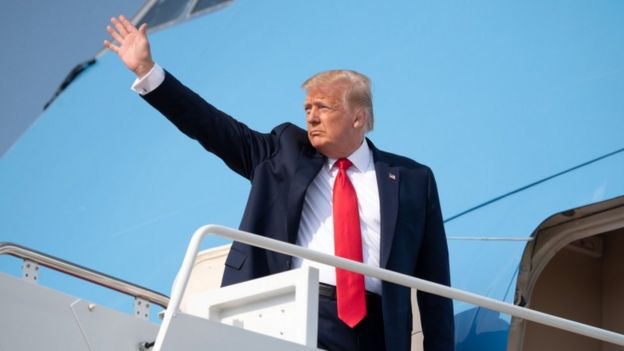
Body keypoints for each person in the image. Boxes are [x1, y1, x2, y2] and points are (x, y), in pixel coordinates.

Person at [105, 15, 454, 351]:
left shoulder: (412, 179)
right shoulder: (283, 153)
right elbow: (211, 126)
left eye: (323, 107)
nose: (311, 117)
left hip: (379, 328)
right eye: (307, 108)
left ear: (358, 117)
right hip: (299, 309)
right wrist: (148, 72)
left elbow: (435, 285)